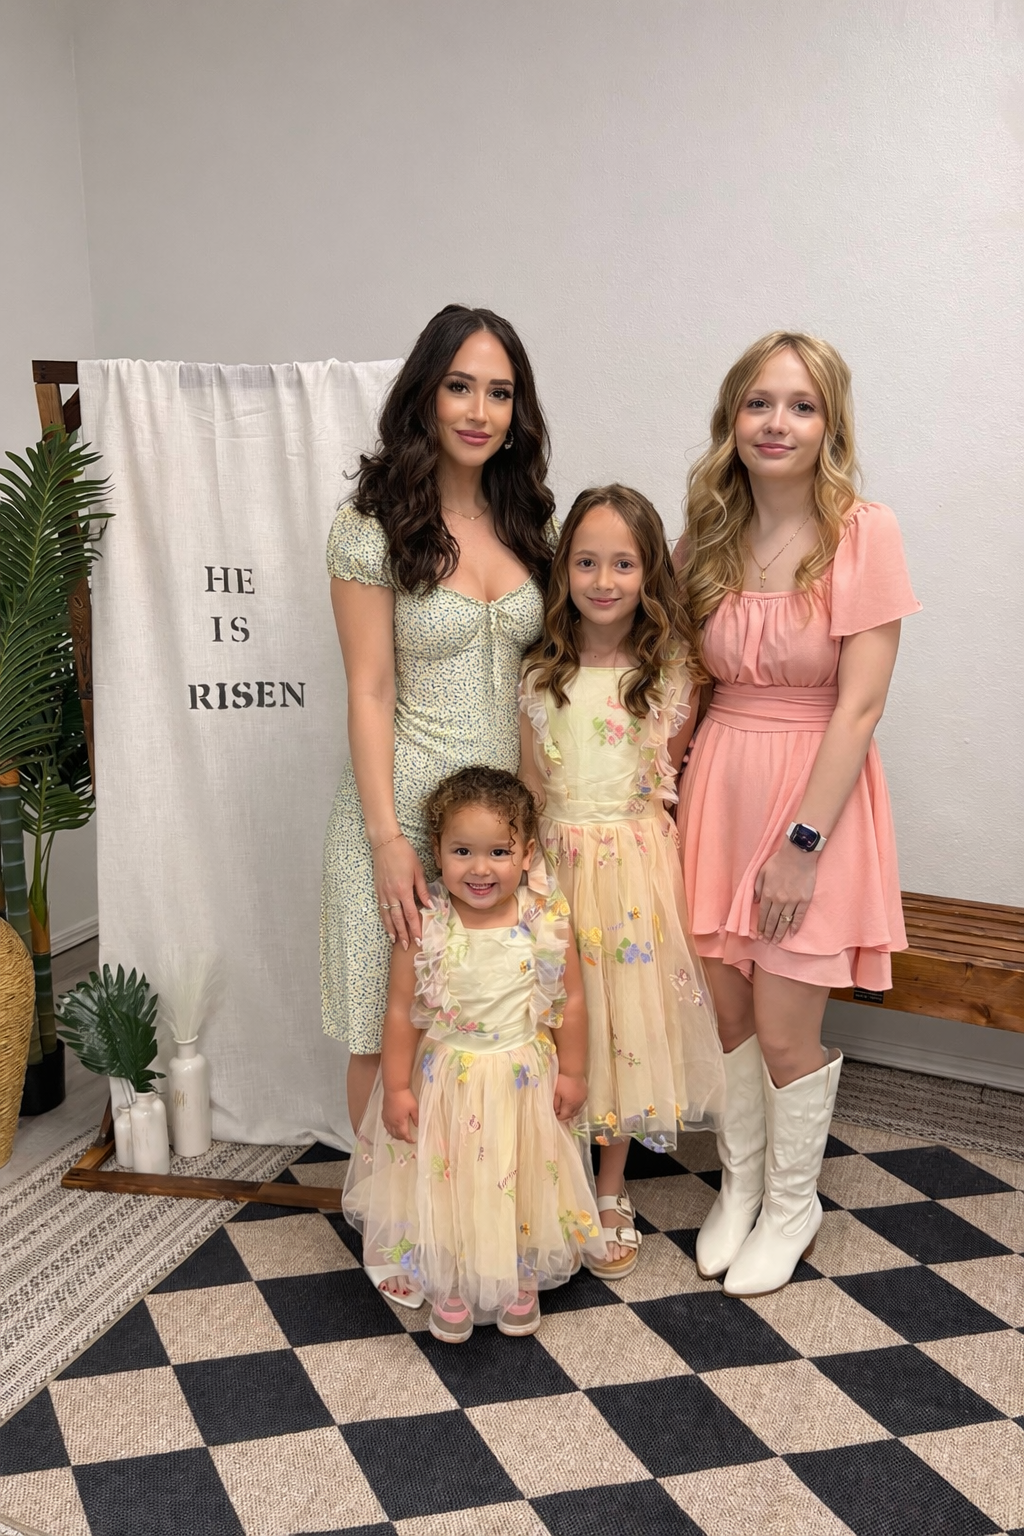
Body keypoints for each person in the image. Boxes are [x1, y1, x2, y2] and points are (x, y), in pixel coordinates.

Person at [676, 331, 920, 1297]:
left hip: (813, 797)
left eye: (802, 405)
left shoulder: (865, 532)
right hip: (719, 787)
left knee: (785, 1025)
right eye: (759, 403)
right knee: (729, 1018)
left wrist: (803, 844)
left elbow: (860, 703)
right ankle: (738, 1187)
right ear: (732, 418)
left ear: (831, 424)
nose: (778, 423)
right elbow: (685, 686)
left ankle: (792, 1202)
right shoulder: (705, 538)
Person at [321, 306, 558, 1292]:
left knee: (489, 1031)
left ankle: (470, 1219)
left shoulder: (522, 520)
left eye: (499, 391)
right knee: (391, 1034)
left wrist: (537, 832)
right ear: (422, 392)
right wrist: (386, 836)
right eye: (460, 385)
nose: (479, 408)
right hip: (400, 813)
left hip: (498, 831)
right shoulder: (370, 528)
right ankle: (397, 1233)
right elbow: (369, 689)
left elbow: (532, 691)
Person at [519, 485, 725, 1278]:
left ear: (648, 573)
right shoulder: (542, 673)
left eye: (624, 563)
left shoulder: (670, 671)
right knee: (559, 1021)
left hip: (635, 872)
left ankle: (611, 1187)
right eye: (587, 562)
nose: (604, 580)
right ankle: (557, 1173)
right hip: (560, 866)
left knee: (620, 1028)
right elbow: (534, 788)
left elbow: (667, 774)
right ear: (564, 568)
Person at [342, 766, 604, 1341]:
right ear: (436, 852)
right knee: (451, 1178)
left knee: (523, 1174)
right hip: (451, 1080)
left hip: (521, 1078)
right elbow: (400, 1011)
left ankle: (519, 1270)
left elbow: (573, 1003)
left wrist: (576, 1072)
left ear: (527, 853)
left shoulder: (546, 918)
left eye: (498, 852)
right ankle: (452, 1277)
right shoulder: (428, 923)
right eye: (463, 851)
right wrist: (399, 1088)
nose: (480, 868)